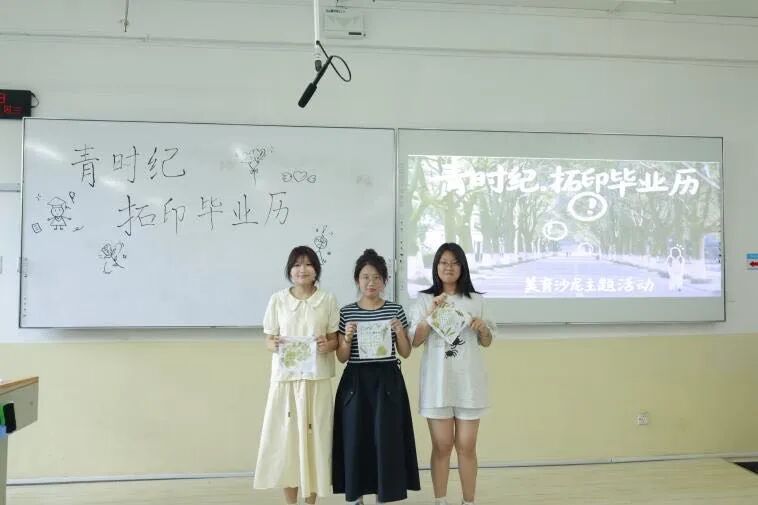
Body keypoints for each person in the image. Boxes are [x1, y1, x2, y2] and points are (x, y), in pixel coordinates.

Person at [333, 249, 420, 504]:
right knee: (355, 437)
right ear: (357, 280)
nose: (371, 282)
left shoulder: (395, 310)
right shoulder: (346, 312)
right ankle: (356, 497)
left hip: (387, 381)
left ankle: (385, 495)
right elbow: (341, 357)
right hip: (356, 381)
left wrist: (400, 331)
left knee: (386, 439)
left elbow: (405, 352)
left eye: (377, 277)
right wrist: (347, 338)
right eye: (365, 277)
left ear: (384, 281)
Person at [254, 245, 339, 505]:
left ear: (316, 270)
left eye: (308, 264)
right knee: (287, 442)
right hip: (286, 381)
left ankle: (311, 502)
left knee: (315, 442)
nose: (302, 269)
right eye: (297, 264)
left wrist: (327, 345)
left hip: (316, 381)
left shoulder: (327, 299)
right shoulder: (278, 300)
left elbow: (335, 340)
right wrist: (274, 344)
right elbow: (269, 339)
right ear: (290, 270)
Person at [411, 243, 494, 505]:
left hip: (468, 383)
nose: (449, 267)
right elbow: (415, 341)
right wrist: (430, 314)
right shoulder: (424, 299)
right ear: (436, 266)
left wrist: (483, 329)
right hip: (437, 383)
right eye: (443, 262)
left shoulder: (476, 299)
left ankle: (468, 501)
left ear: (463, 267)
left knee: (467, 446)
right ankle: (441, 500)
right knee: (442, 446)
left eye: (455, 262)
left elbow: (487, 341)